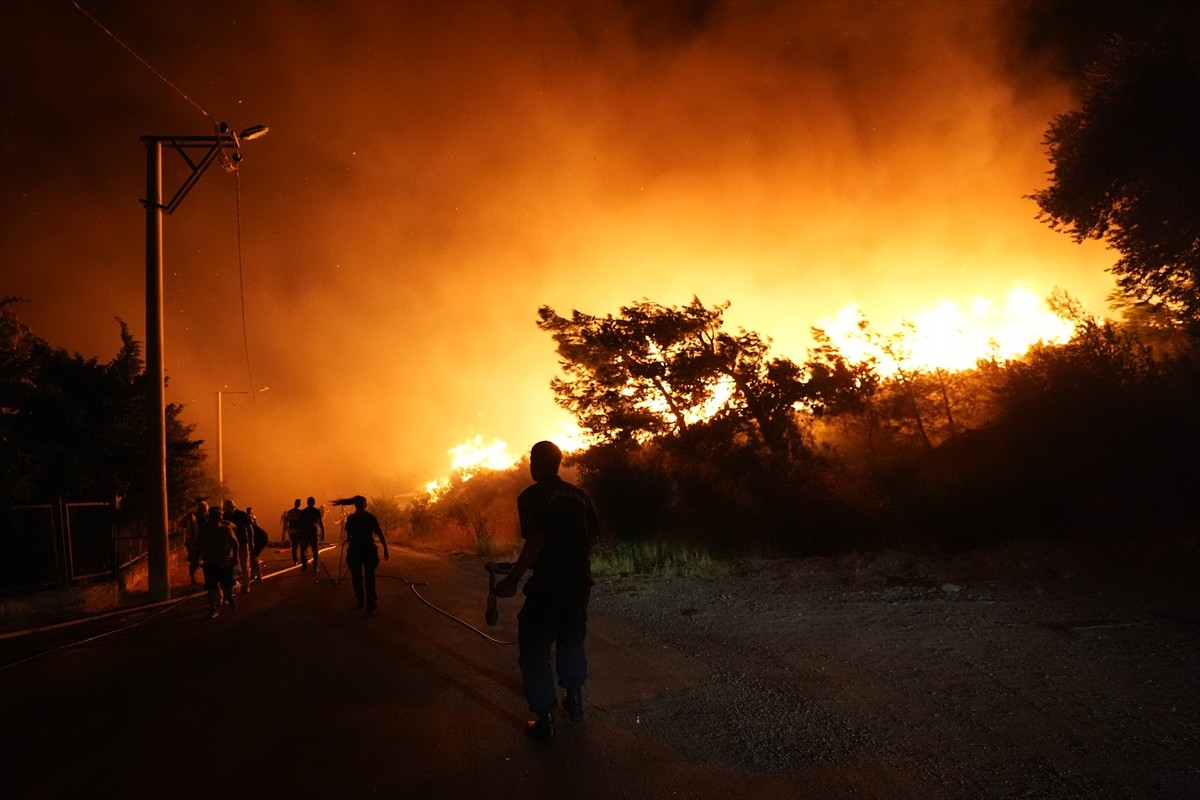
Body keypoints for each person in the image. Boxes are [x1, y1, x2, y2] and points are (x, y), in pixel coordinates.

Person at [493, 440, 601, 742]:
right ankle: (575, 701)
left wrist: (513, 578)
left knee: (534, 651)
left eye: (531, 459)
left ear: (537, 463)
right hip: (578, 583)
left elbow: (537, 538)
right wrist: (574, 561)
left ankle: (545, 720)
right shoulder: (580, 496)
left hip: (549, 586)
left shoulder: (532, 496)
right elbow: (592, 538)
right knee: (571, 639)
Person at [333, 495, 389, 612]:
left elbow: (348, 536)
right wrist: (385, 548)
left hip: (355, 550)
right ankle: (370, 601)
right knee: (369, 576)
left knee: (356, 576)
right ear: (365, 505)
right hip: (368, 549)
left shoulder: (351, 518)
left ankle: (360, 599)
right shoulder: (370, 517)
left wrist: (352, 539)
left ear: (356, 506)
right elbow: (379, 533)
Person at [196, 506, 239, 618]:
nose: (214, 521)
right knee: (211, 587)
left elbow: (235, 544)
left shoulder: (226, 530)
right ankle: (213, 608)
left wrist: (235, 557)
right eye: (212, 519)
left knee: (227, 587)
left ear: (220, 520)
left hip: (225, 562)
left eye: (216, 519)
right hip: (210, 562)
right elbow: (201, 546)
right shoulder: (205, 530)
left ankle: (229, 597)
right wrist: (197, 559)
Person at [222, 499, 254, 594]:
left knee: (244, 563)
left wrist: (251, 541)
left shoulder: (241, 514)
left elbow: (249, 527)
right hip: (231, 542)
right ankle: (236, 584)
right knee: (233, 564)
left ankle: (246, 585)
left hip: (243, 541)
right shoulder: (226, 515)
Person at [182, 500, 209, 584]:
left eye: (204, 509)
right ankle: (193, 579)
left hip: (205, 543)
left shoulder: (208, 517)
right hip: (195, 543)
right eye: (201, 508)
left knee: (206, 561)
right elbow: (182, 524)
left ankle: (206, 578)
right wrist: (187, 516)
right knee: (193, 561)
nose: (203, 511)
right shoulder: (193, 517)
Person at [297, 496, 325, 573]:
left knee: (303, 549)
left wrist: (299, 533)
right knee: (315, 550)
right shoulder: (316, 511)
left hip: (305, 532)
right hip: (313, 532)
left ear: (307, 503)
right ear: (314, 503)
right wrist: (323, 533)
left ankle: (304, 565)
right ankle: (315, 567)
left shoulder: (303, 511)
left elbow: (300, 524)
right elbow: (321, 523)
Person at [247, 506, 268, 582]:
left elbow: (251, 537)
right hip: (260, 538)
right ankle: (253, 574)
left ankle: (258, 576)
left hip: (261, 539)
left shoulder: (249, 526)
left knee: (253, 557)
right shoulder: (251, 523)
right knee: (252, 557)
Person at [283, 499, 302, 564]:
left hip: (291, 531)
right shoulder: (300, 512)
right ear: (299, 504)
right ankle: (302, 559)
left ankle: (295, 560)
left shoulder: (290, 512)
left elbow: (286, 520)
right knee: (301, 546)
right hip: (298, 531)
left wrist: (289, 528)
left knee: (294, 546)